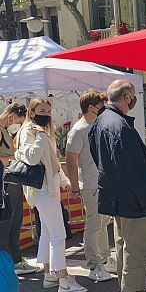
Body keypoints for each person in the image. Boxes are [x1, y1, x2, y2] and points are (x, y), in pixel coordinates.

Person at [89, 80, 146, 292]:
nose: (134, 100)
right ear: (126, 97)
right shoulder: (120, 125)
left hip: (117, 198)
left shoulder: (101, 121)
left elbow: (99, 159)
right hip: (134, 202)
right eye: (133, 96)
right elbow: (135, 172)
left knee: (125, 250)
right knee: (137, 254)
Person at [15, 98, 87, 292]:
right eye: (42, 110)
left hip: (49, 187)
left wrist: (67, 183)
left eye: (48, 110)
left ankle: (49, 275)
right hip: (42, 189)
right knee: (58, 233)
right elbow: (31, 158)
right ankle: (63, 279)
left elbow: (54, 163)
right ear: (32, 111)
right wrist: (40, 138)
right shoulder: (29, 131)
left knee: (48, 232)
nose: (46, 113)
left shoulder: (45, 131)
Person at [65, 90, 115, 283]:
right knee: (95, 224)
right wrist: (75, 186)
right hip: (92, 184)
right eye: (100, 104)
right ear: (91, 107)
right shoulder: (79, 129)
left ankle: (103, 258)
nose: (104, 107)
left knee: (103, 223)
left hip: (102, 183)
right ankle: (93, 264)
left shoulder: (96, 124)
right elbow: (70, 160)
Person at [0, 103, 39, 275]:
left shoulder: (6, 131)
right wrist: (16, 156)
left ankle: (14, 259)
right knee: (8, 225)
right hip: (5, 185)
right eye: (18, 121)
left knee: (15, 223)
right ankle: (10, 263)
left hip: (12, 183)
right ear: (11, 116)